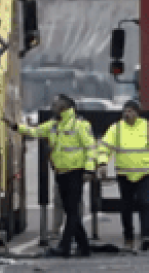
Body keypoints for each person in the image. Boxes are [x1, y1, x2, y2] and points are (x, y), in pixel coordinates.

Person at [7, 94, 95, 258]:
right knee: (70, 211)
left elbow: (90, 148)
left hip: (75, 172)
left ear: (64, 107)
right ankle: (84, 247)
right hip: (61, 173)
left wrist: (89, 171)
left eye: (55, 105)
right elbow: (35, 131)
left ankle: (64, 247)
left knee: (72, 212)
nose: (52, 107)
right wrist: (16, 127)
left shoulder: (80, 125)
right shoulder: (54, 125)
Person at [96, 99, 149, 252]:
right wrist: (102, 163)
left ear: (137, 112)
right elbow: (105, 147)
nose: (127, 114)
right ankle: (128, 237)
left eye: (130, 111)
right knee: (126, 207)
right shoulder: (116, 128)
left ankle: (146, 236)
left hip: (146, 173)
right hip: (124, 174)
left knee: (145, 203)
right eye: (125, 111)